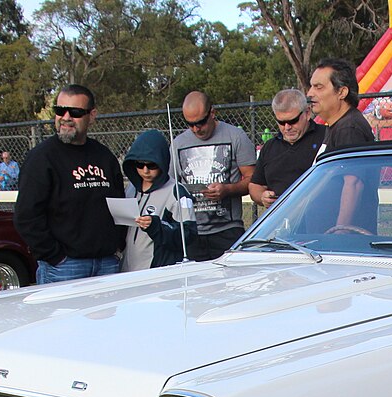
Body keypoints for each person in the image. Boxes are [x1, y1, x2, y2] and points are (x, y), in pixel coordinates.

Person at [14, 84, 125, 284]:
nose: (65, 117)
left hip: (107, 264)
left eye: (74, 112)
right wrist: (55, 256)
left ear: (92, 115)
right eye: (59, 110)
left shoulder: (104, 157)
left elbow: (119, 205)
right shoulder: (41, 158)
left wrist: (117, 246)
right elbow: (26, 216)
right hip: (64, 267)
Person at [169, 91, 256, 261]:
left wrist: (227, 190)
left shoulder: (235, 136)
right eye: (190, 124)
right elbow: (170, 186)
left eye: (200, 122)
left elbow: (253, 180)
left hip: (227, 229)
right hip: (192, 231)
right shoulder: (178, 144)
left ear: (212, 113)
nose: (196, 129)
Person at [308, 58, 376, 231]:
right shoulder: (336, 126)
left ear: (342, 92)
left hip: (339, 241)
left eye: (319, 87)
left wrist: (340, 229)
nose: (309, 93)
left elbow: (353, 183)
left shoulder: (349, 128)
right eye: (311, 86)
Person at [120, 129, 191, 271]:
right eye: (140, 165)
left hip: (157, 273)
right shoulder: (131, 189)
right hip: (127, 271)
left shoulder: (177, 192)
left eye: (151, 165)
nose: (145, 170)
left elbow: (188, 235)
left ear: (162, 163)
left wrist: (156, 226)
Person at [249, 88, 324, 209]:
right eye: (281, 122)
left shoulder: (326, 138)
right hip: (282, 221)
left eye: (293, 121)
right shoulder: (270, 147)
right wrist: (262, 196)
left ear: (307, 113)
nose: (287, 127)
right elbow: (255, 185)